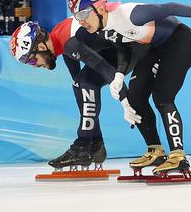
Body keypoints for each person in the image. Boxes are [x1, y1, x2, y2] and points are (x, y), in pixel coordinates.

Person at [67, 0, 191, 175]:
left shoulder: (130, 14)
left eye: (81, 14)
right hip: (154, 47)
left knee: (163, 97)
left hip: (180, 41)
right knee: (135, 98)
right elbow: (124, 48)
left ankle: (178, 155)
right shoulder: (104, 28)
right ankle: (155, 150)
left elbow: (169, 7)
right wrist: (119, 75)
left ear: (100, 8)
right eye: (75, 16)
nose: (79, 21)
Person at [8, 18, 139, 170]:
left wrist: (125, 100)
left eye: (32, 61)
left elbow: (105, 68)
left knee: (85, 83)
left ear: (42, 46)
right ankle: (95, 145)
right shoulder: (60, 42)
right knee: (81, 84)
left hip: (131, 47)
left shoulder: (69, 43)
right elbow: (79, 88)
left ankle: (82, 147)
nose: (35, 66)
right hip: (118, 47)